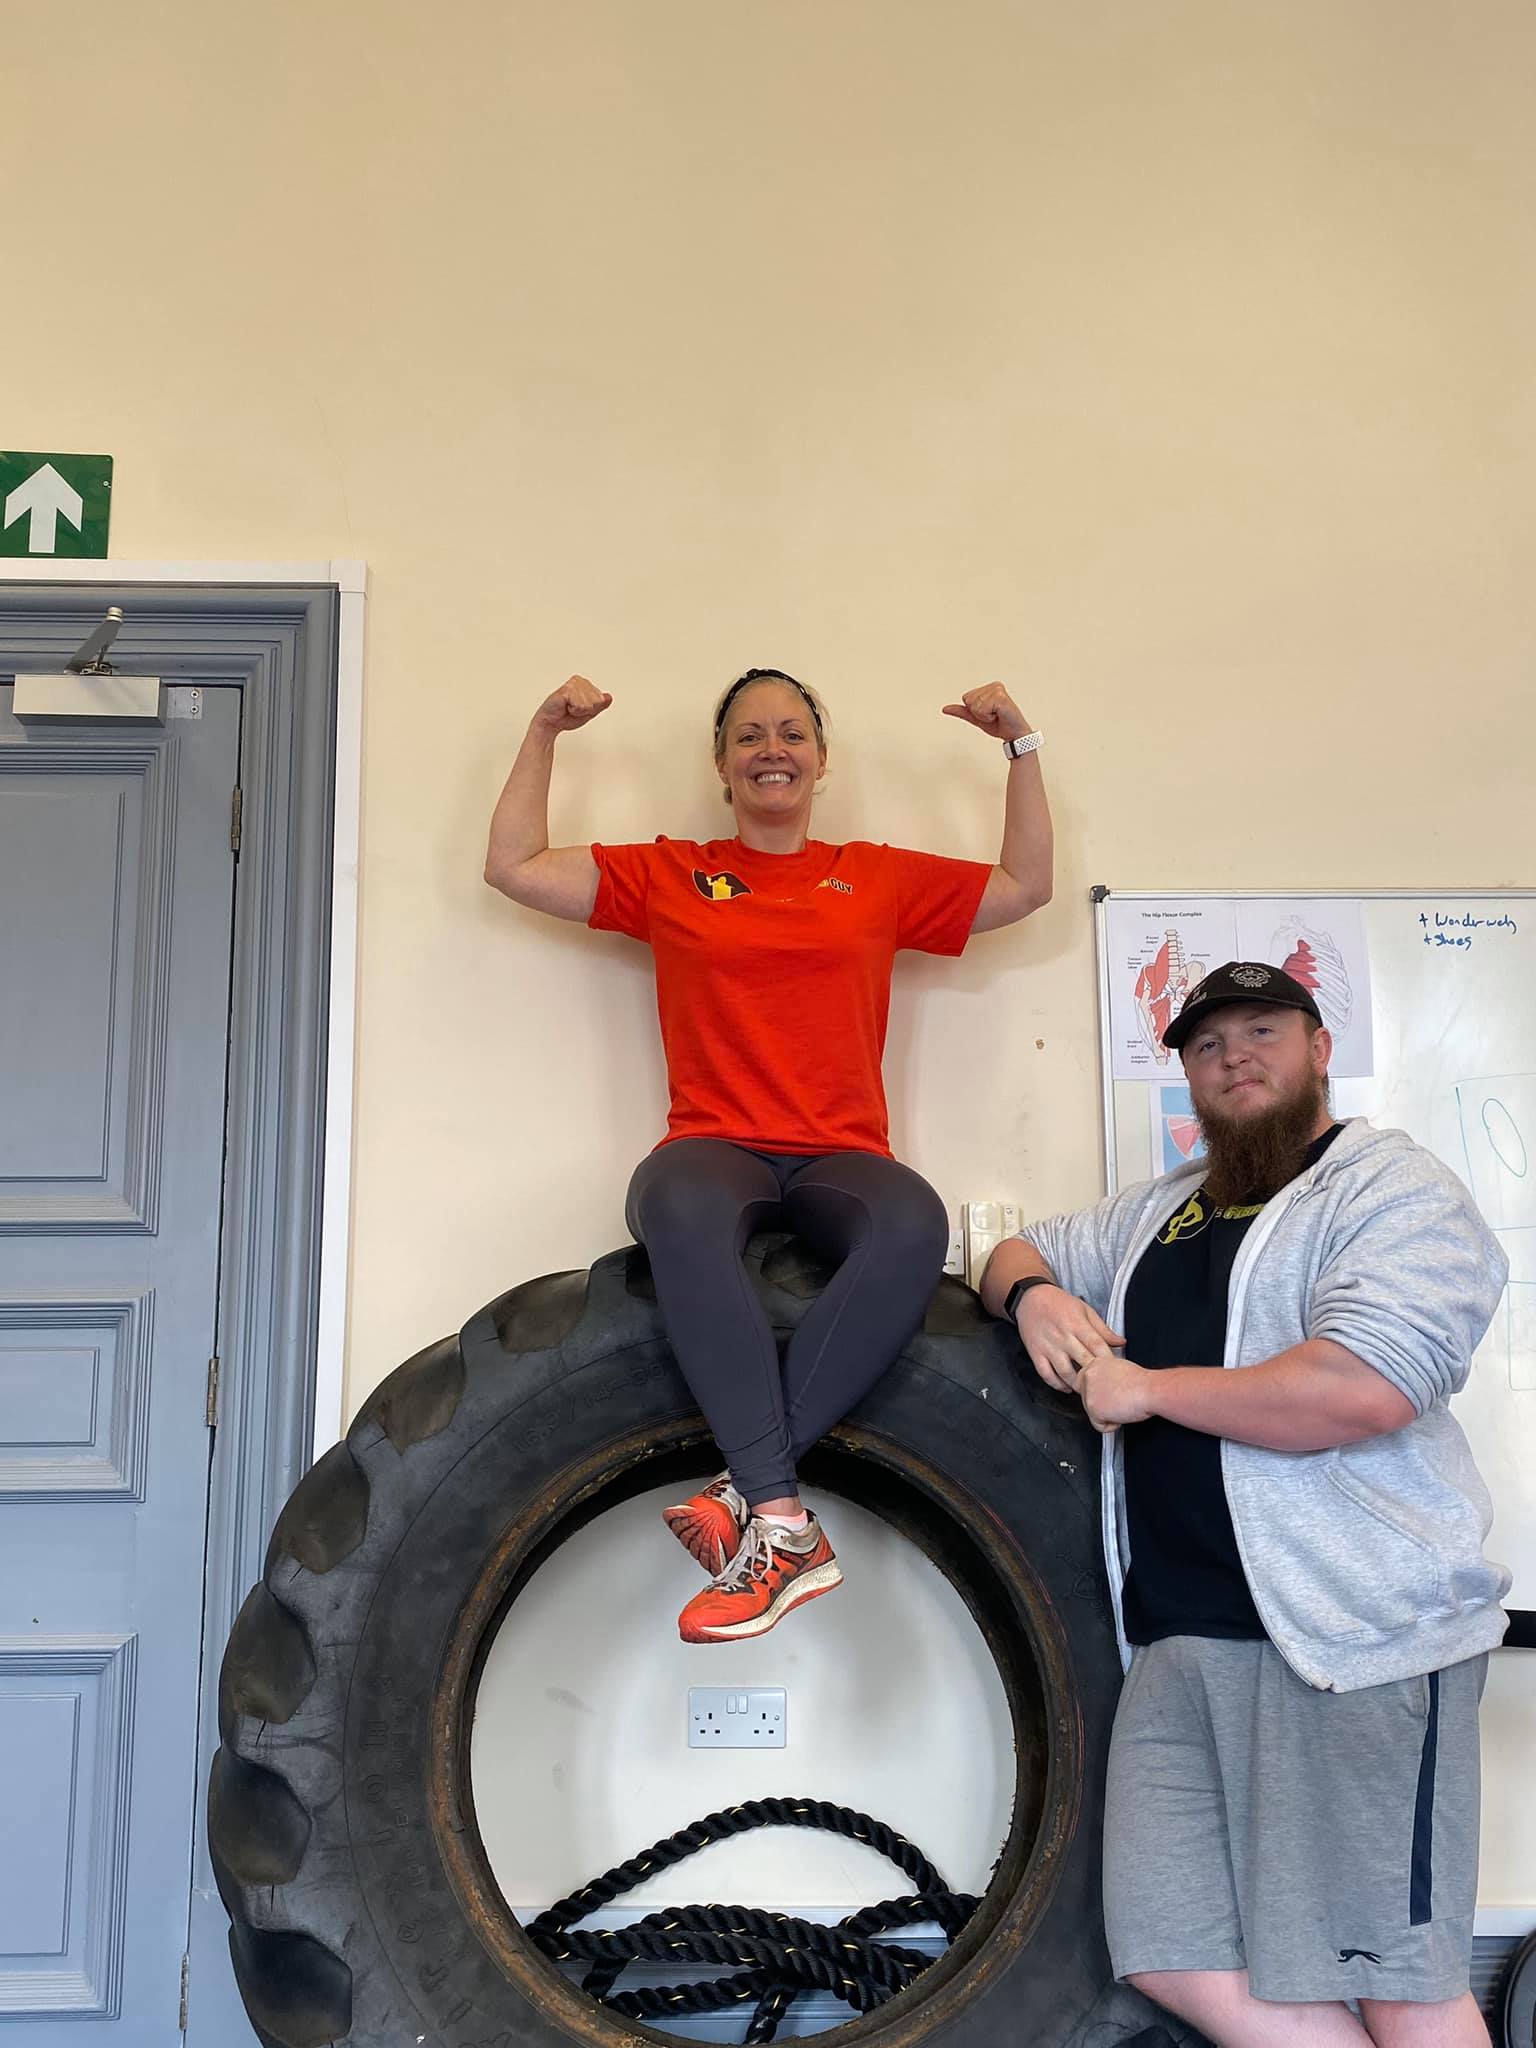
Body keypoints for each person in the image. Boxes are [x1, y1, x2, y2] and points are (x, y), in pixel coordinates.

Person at [981, 960, 1510, 2048]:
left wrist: (1149, 1388)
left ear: (1320, 1046)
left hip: (1353, 1640)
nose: (1237, 1058)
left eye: (1264, 1030)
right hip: (1180, 1641)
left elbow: (1364, 1383)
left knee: (1396, 1976)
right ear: (1187, 1074)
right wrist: (1031, 1290)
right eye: (1210, 1045)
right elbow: (1010, 1247)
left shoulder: (1389, 1190)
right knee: (1176, 1951)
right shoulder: (1161, 1212)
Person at [485, 666, 1053, 1643]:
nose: (772, 749)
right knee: (673, 1204)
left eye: (791, 732)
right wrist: (543, 727)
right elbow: (515, 866)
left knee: (912, 1218)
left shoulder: (873, 874)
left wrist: (1021, 749)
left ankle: (746, 1487)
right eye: (749, 735)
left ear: (821, 759)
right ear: (722, 764)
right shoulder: (672, 871)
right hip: (716, 1145)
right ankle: (783, 1520)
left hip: (839, 1153)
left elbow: (1025, 887)